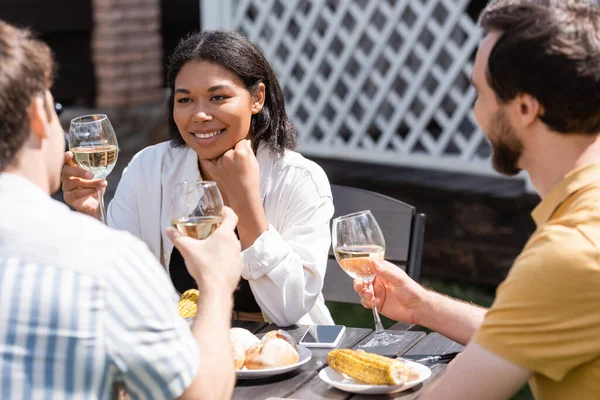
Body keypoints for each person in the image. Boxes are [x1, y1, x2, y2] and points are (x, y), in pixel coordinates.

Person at [354, 1, 600, 399]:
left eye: (479, 93)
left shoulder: (569, 252)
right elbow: (534, 323)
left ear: (524, 108)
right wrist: (421, 306)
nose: (474, 113)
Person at [0, 19, 242, 399]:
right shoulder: (105, 262)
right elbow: (199, 393)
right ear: (37, 115)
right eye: (56, 107)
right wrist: (216, 283)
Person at [61, 30, 335, 326]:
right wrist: (91, 215)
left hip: (283, 353)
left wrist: (245, 202)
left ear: (257, 98)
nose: (200, 115)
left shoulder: (300, 179)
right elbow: (119, 284)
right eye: (186, 100)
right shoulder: (149, 169)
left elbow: (289, 309)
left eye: (218, 97)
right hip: (186, 347)